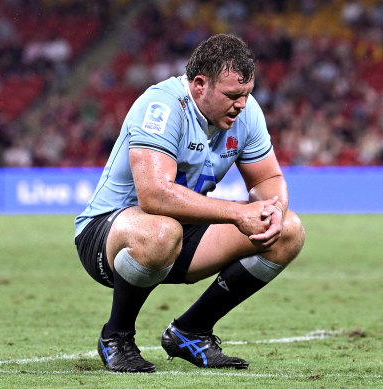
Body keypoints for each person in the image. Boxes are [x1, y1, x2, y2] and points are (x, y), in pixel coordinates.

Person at [74, 33, 305, 373]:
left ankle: (190, 332)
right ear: (200, 85)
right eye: (232, 95)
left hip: (181, 231)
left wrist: (274, 210)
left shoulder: (247, 112)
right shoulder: (162, 106)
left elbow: (267, 180)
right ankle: (116, 336)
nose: (241, 104)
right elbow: (153, 196)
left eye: (246, 94)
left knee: (288, 231)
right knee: (160, 232)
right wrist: (239, 212)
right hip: (111, 233)